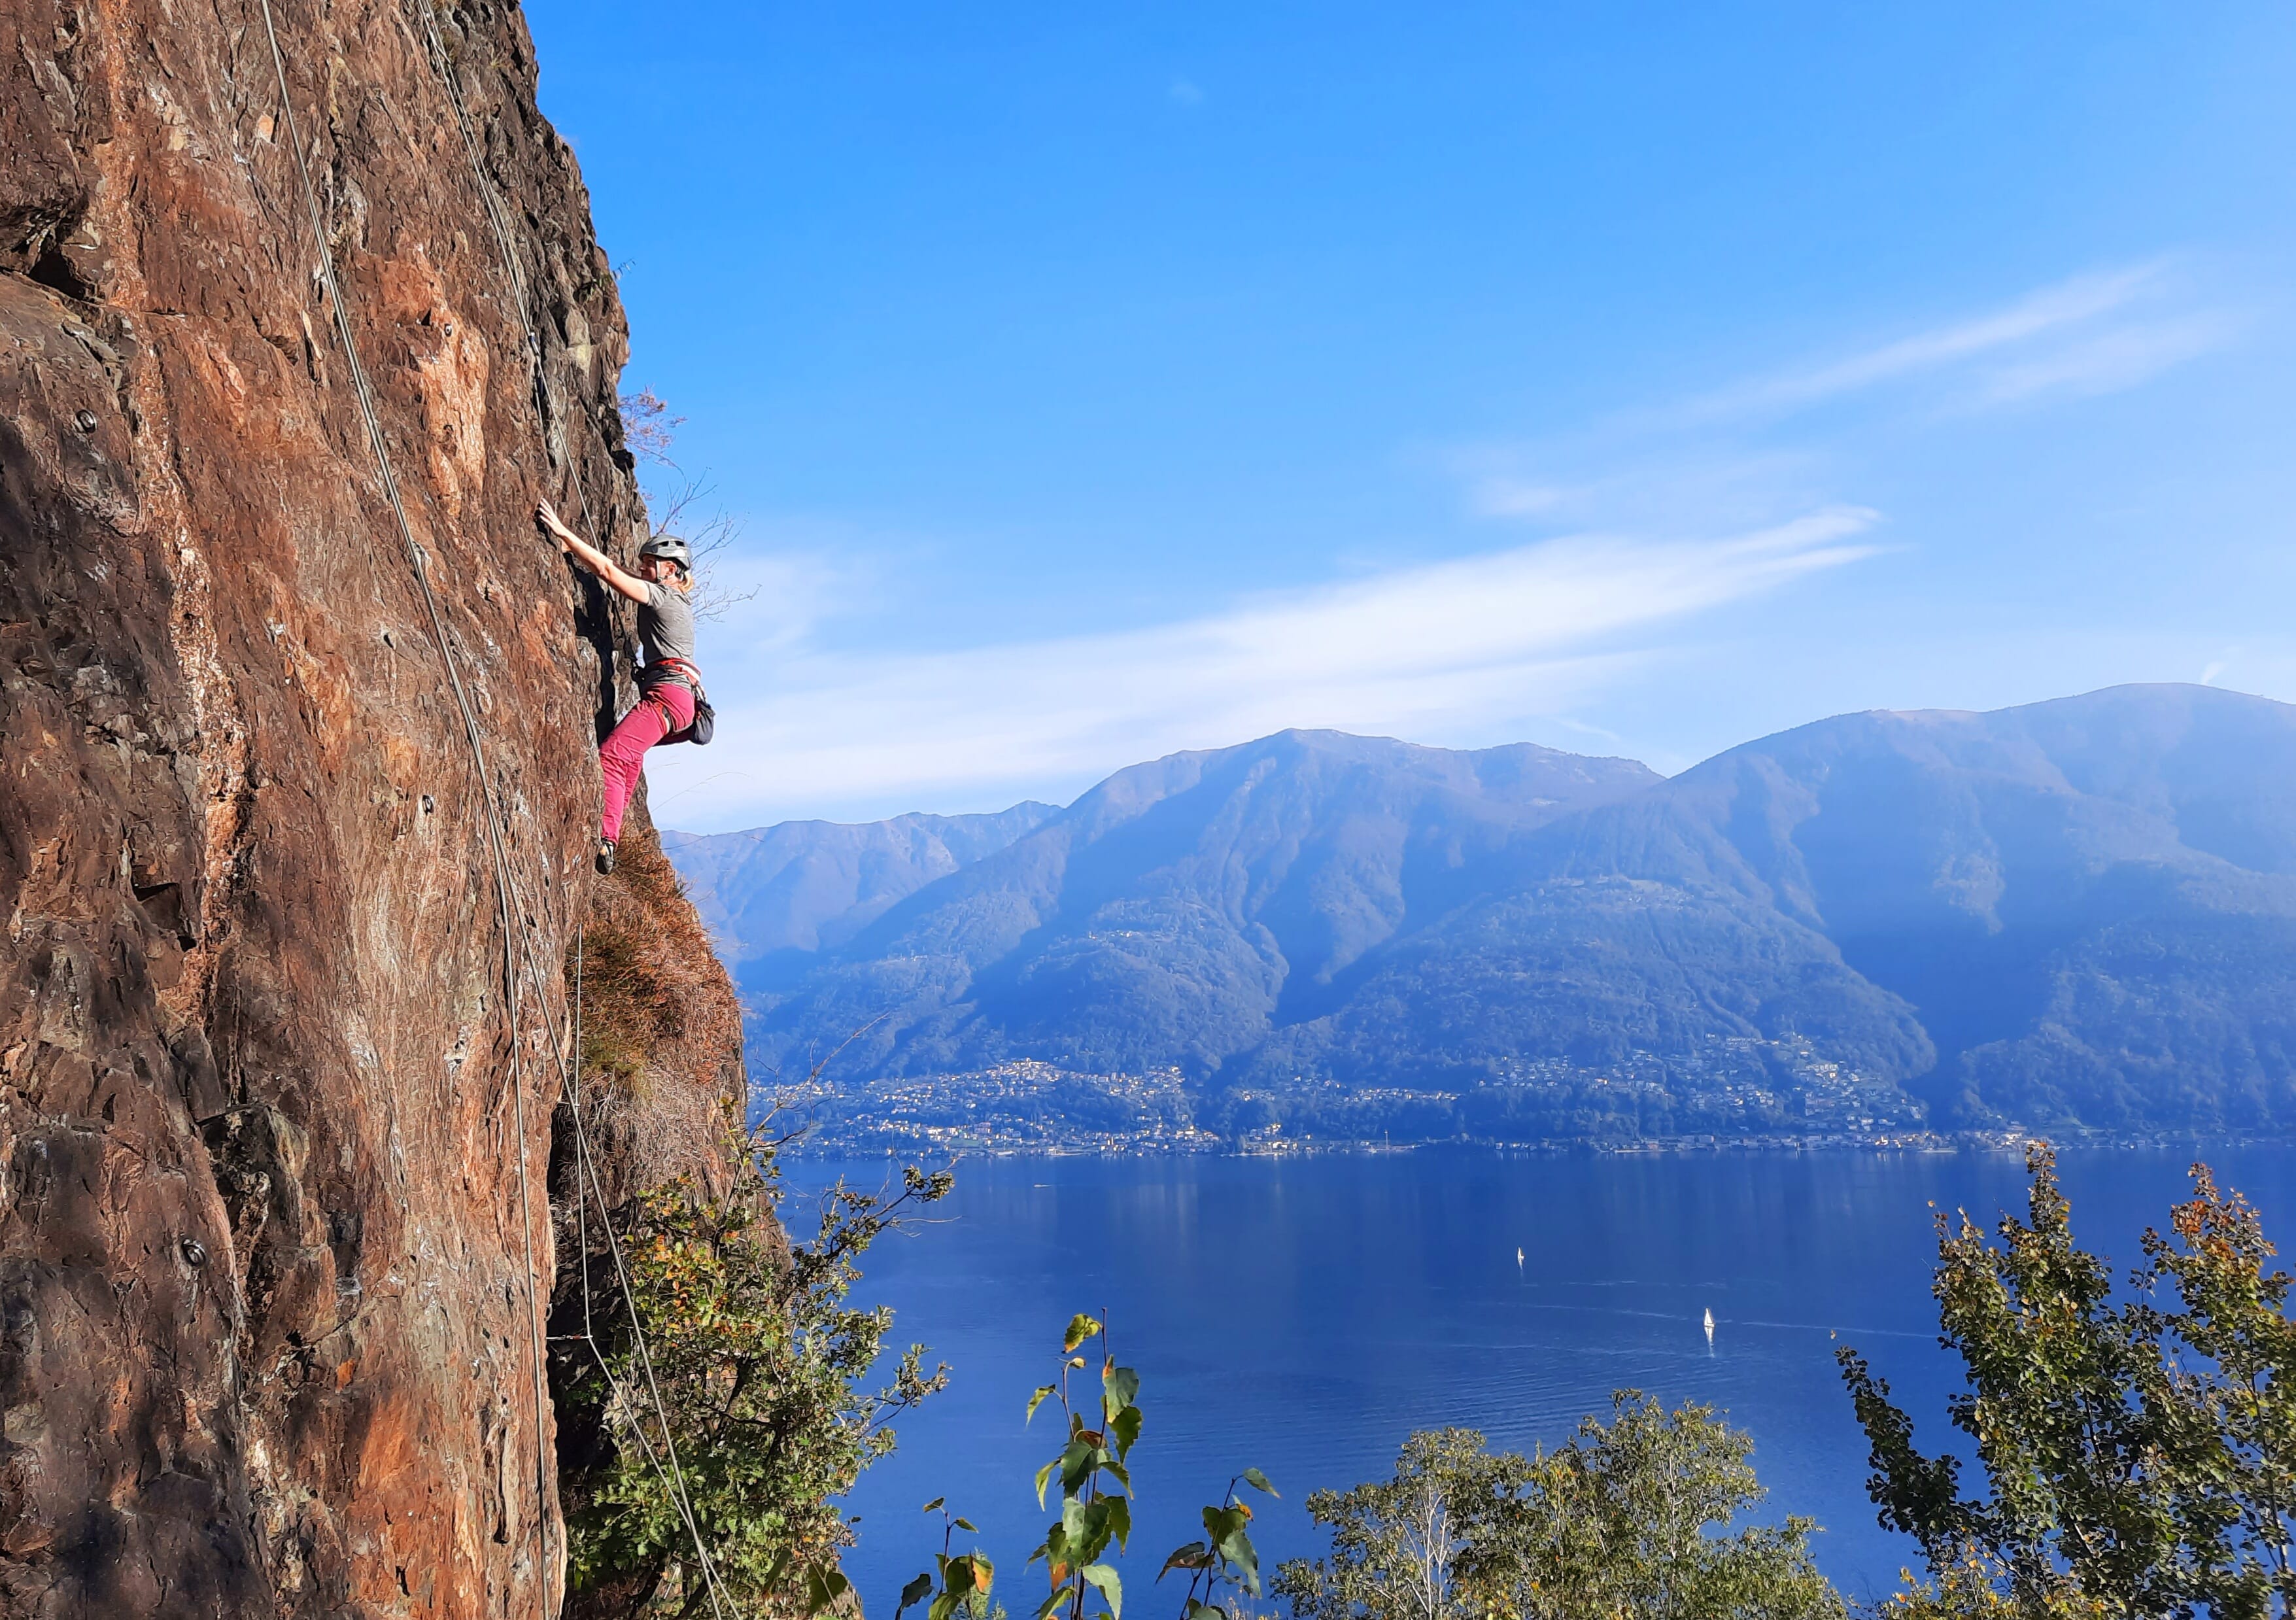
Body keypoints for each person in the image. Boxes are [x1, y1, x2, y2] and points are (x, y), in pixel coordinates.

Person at [537, 498, 703, 873]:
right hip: (679, 702)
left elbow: (609, 571)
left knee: (612, 757)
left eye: (650, 563)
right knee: (629, 760)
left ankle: (607, 837)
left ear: (670, 569)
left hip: (666, 698)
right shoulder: (676, 599)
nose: (642, 568)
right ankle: (613, 835)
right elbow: (620, 571)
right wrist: (577, 552)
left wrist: (564, 533)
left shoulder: (663, 596)